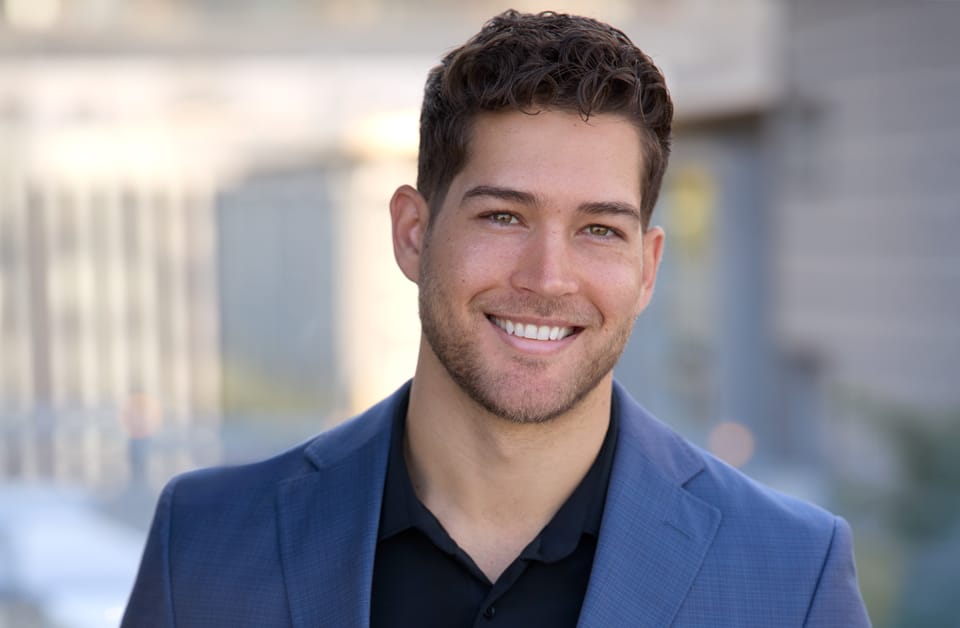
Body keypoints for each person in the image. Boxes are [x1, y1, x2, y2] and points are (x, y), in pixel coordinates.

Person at [123, 10, 870, 627]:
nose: (547, 278)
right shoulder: (205, 544)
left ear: (647, 269)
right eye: (505, 216)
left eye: (599, 229)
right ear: (412, 234)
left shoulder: (791, 576)